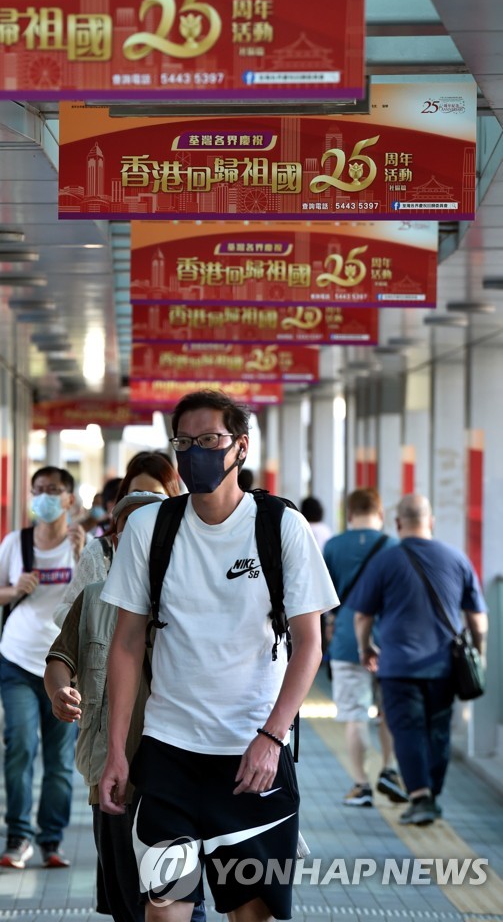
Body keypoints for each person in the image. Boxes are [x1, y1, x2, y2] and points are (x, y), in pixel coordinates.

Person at [98, 389, 338, 922]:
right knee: (164, 912)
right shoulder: (148, 528)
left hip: (252, 762)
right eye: (184, 442)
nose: (194, 453)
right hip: (168, 757)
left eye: (209, 440)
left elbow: (309, 643)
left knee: (252, 915)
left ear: (241, 448)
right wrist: (117, 749)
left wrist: (272, 737)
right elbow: (127, 643)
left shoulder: (280, 527)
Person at [45, 490, 206, 922]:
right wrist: (60, 691)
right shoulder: (95, 599)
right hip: (111, 778)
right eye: (126, 530)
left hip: (175, 778)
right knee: (126, 906)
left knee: (178, 902)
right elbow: (59, 661)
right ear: (113, 540)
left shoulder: (195, 600)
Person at [351, 493, 488, 826]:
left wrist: (365, 648)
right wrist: (478, 655)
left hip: (398, 667)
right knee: (437, 730)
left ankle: (421, 796)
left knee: (407, 730)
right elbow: (478, 620)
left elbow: (362, 616)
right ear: (432, 522)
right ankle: (430, 794)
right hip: (443, 666)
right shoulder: (457, 559)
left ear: (398, 524)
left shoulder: (385, 561)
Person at [0, 466, 86, 869]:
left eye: (53, 490)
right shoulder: (16, 542)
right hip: (18, 660)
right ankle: (18, 837)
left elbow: (96, 599)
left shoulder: (84, 545)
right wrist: (14, 589)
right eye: (38, 489)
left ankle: (51, 840)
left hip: (65, 667)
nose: (44, 496)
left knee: (59, 759)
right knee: (21, 746)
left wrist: (80, 557)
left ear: (69, 499)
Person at [322, 488, 406, 808]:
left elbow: (323, 598)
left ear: (350, 514)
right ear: (381, 514)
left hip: (346, 642)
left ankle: (361, 785)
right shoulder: (395, 548)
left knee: (355, 716)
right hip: (390, 643)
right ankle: (390, 770)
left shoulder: (333, 546)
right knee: (389, 713)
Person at [53, 453, 181, 627]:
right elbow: (64, 610)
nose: (144, 508)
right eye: (137, 496)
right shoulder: (101, 552)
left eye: (155, 498)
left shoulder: (185, 550)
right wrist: (100, 624)